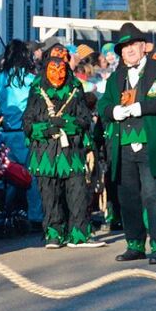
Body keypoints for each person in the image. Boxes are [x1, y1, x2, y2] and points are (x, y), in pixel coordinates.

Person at [98, 23, 156, 264]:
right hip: (123, 145)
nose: (129, 50)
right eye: (124, 47)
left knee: (153, 195)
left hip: (151, 144)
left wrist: (142, 107)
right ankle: (134, 244)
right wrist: (113, 111)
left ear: (143, 46)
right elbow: (103, 105)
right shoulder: (116, 77)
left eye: (133, 45)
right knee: (127, 196)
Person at [22, 45, 102, 248]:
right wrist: (47, 128)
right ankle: (54, 234)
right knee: (50, 195)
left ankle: (78, 234)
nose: (57, 74)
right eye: (53, 68)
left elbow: (84, 119)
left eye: (62, 67)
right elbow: (28, 123)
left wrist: (68, 124)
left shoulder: (76, 88)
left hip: (72, 151)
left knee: (78, 192)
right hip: (45, 152)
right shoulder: (37, 88)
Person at [0, 40, 40, 229]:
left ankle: (3, 214)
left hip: (3, 134)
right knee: (32, 176)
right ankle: (35, 215)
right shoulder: (31, 80)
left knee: (9, 176)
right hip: (26, 134)